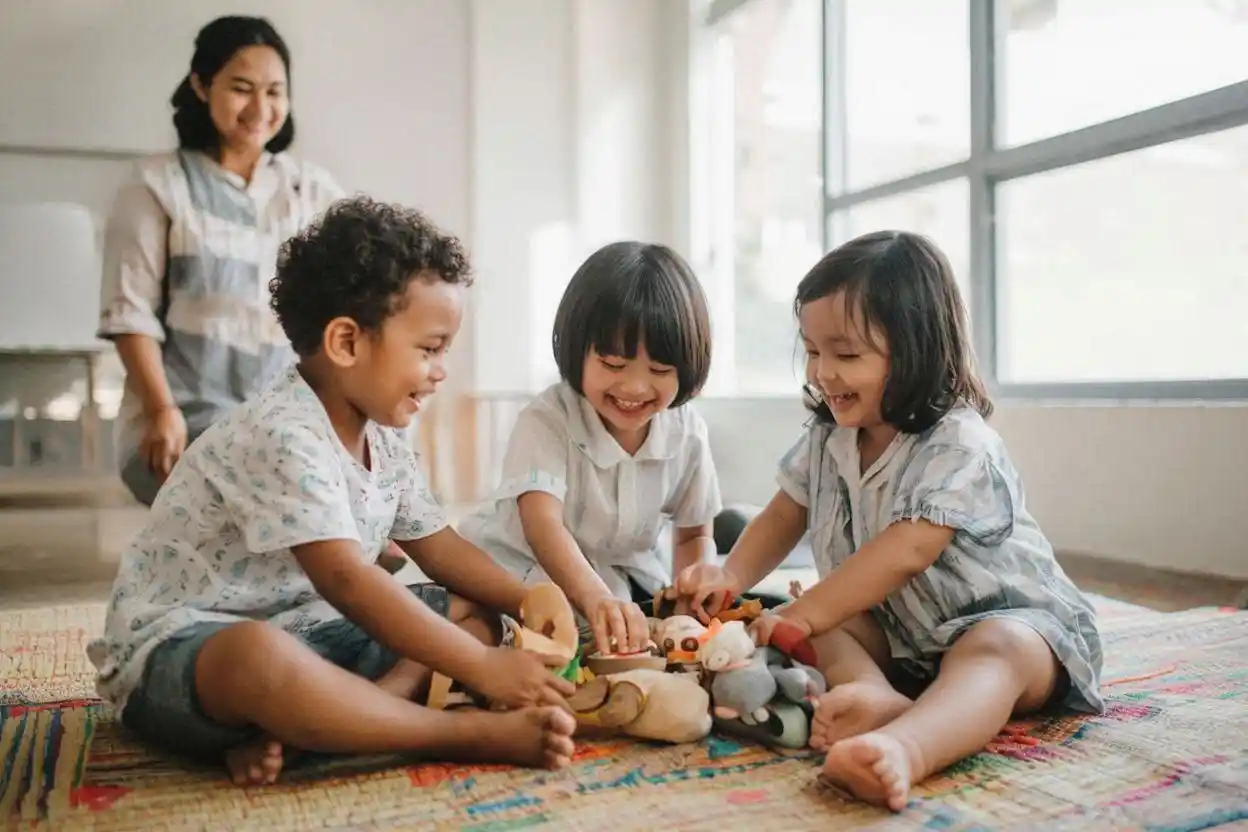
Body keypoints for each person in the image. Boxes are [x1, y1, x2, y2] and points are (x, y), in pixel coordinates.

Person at [87, 197, 577, 787]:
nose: (442, 370)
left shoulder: (384, 436)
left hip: (308, 630)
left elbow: (440, 548)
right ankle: (451, 733)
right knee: (259, 658)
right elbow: (346, 579)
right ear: (346, 342)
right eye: (429, 349)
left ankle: (353, 715)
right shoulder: (282, 432)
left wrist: (528, 600)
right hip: (184, 652)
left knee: (474, 608)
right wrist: (480, 668)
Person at [676, 231, 1103, 812]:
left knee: (991, 647)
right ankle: (872, 696)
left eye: (846, 355)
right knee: (809, 620)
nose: (823, 372)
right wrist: (731, 577)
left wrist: (805, 613)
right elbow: (783, 514)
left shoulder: (960, 442)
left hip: (1016, 630)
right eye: (813, 351)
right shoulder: (828, 436)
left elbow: (907, 550)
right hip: (905, 640)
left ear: (916, 350)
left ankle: (906, 745)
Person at [97, 15, 345, 506]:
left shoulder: (311, 191)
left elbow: (354, 300)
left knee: (328, 487)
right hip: (182, 422)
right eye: (241, 89)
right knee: (290, 498)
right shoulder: (156, 185)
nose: (260, 108)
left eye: (275, 92)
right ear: (200, 85)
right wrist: (162, 411)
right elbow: (129, 315)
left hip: (287, 424)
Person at [458, 241, 722, 658]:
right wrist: (594, 596)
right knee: (505, 635)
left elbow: (694, 532)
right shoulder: (548, 419)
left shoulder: (687, 432)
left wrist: (693, 588)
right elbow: (542, 524)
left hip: (616, 577)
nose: (634, 387)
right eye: (613, 365)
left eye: (659, 370)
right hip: (523, 566)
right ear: (577, 349)